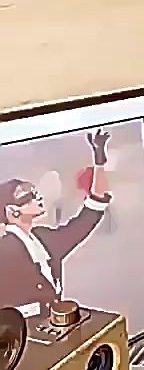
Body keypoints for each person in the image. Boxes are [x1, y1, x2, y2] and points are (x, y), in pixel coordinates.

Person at [0, 129, 112, 315]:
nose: (37, 197)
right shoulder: (5, 250)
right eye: (26, 195)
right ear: (12, 211)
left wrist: (99, 163)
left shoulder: (43, 239)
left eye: (35, 191)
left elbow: (91, 212)